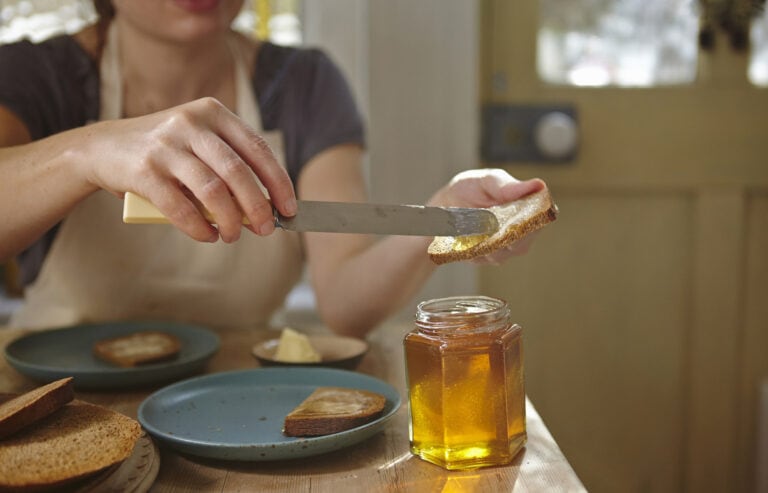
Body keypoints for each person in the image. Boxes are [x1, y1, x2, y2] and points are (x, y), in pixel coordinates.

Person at [0, 0, 547, 338]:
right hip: (60, 398)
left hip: (240, 401)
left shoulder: (305, 83)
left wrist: (441, 217)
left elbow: (346, 306)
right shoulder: (33, 76)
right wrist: (87, 154)